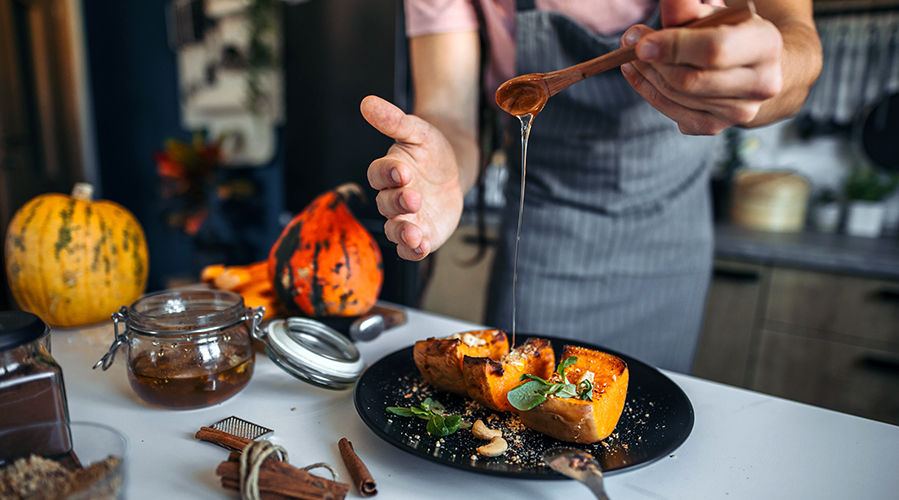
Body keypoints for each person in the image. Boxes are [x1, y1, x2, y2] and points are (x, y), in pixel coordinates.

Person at [360, 0, 822, 372]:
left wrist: (765, 77)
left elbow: (797, 43)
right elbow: (450, 113)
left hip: (669, 241)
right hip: (544, 242)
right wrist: (442, 161)